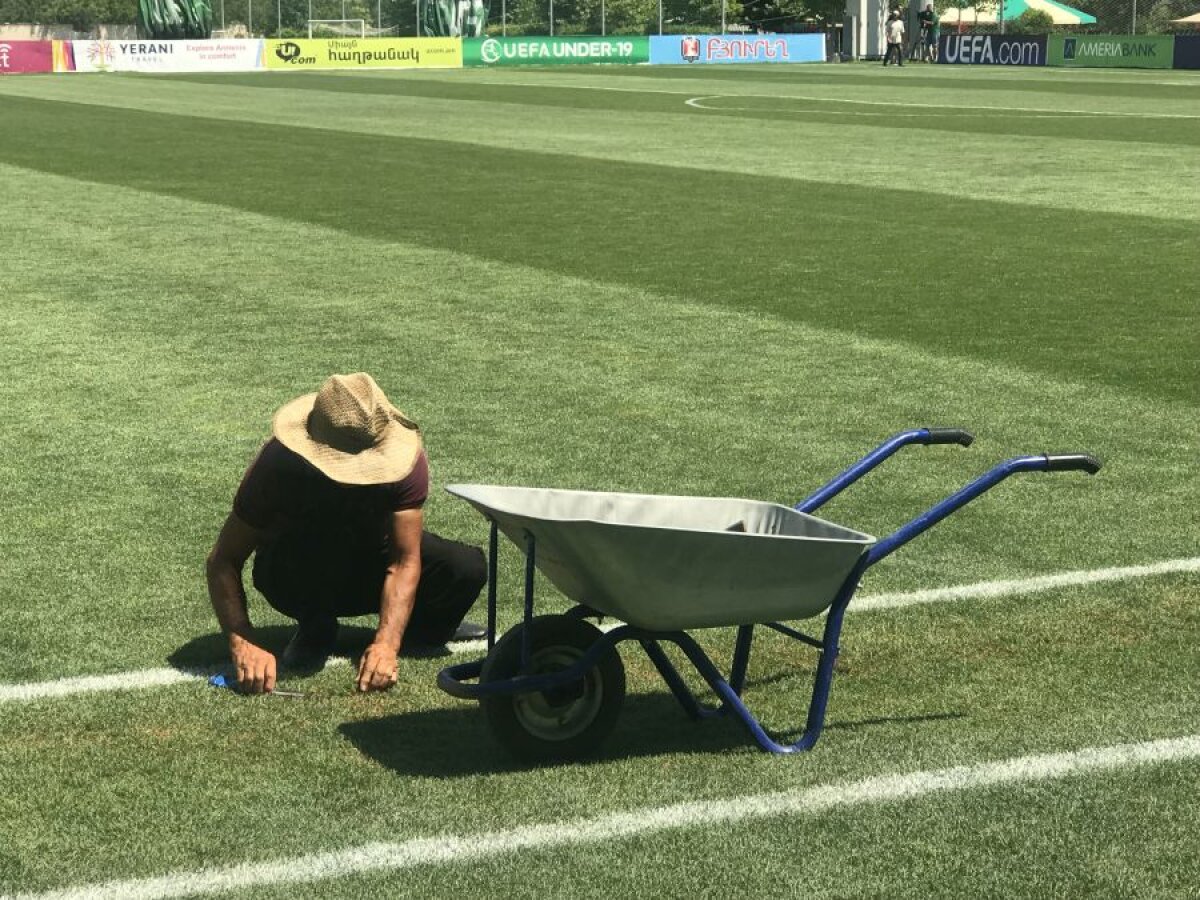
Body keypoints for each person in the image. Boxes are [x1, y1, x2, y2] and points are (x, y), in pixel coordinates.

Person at [206, 373, 487, 695]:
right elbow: (223, 560)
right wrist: (243, 642)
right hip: (295, 567)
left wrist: (386, 644)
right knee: (313, 550)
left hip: (369, 554)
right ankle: (316, 624)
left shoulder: (408, 464)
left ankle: (422, 630)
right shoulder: (277, 465)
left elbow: (404, 560)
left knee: (463, 567)